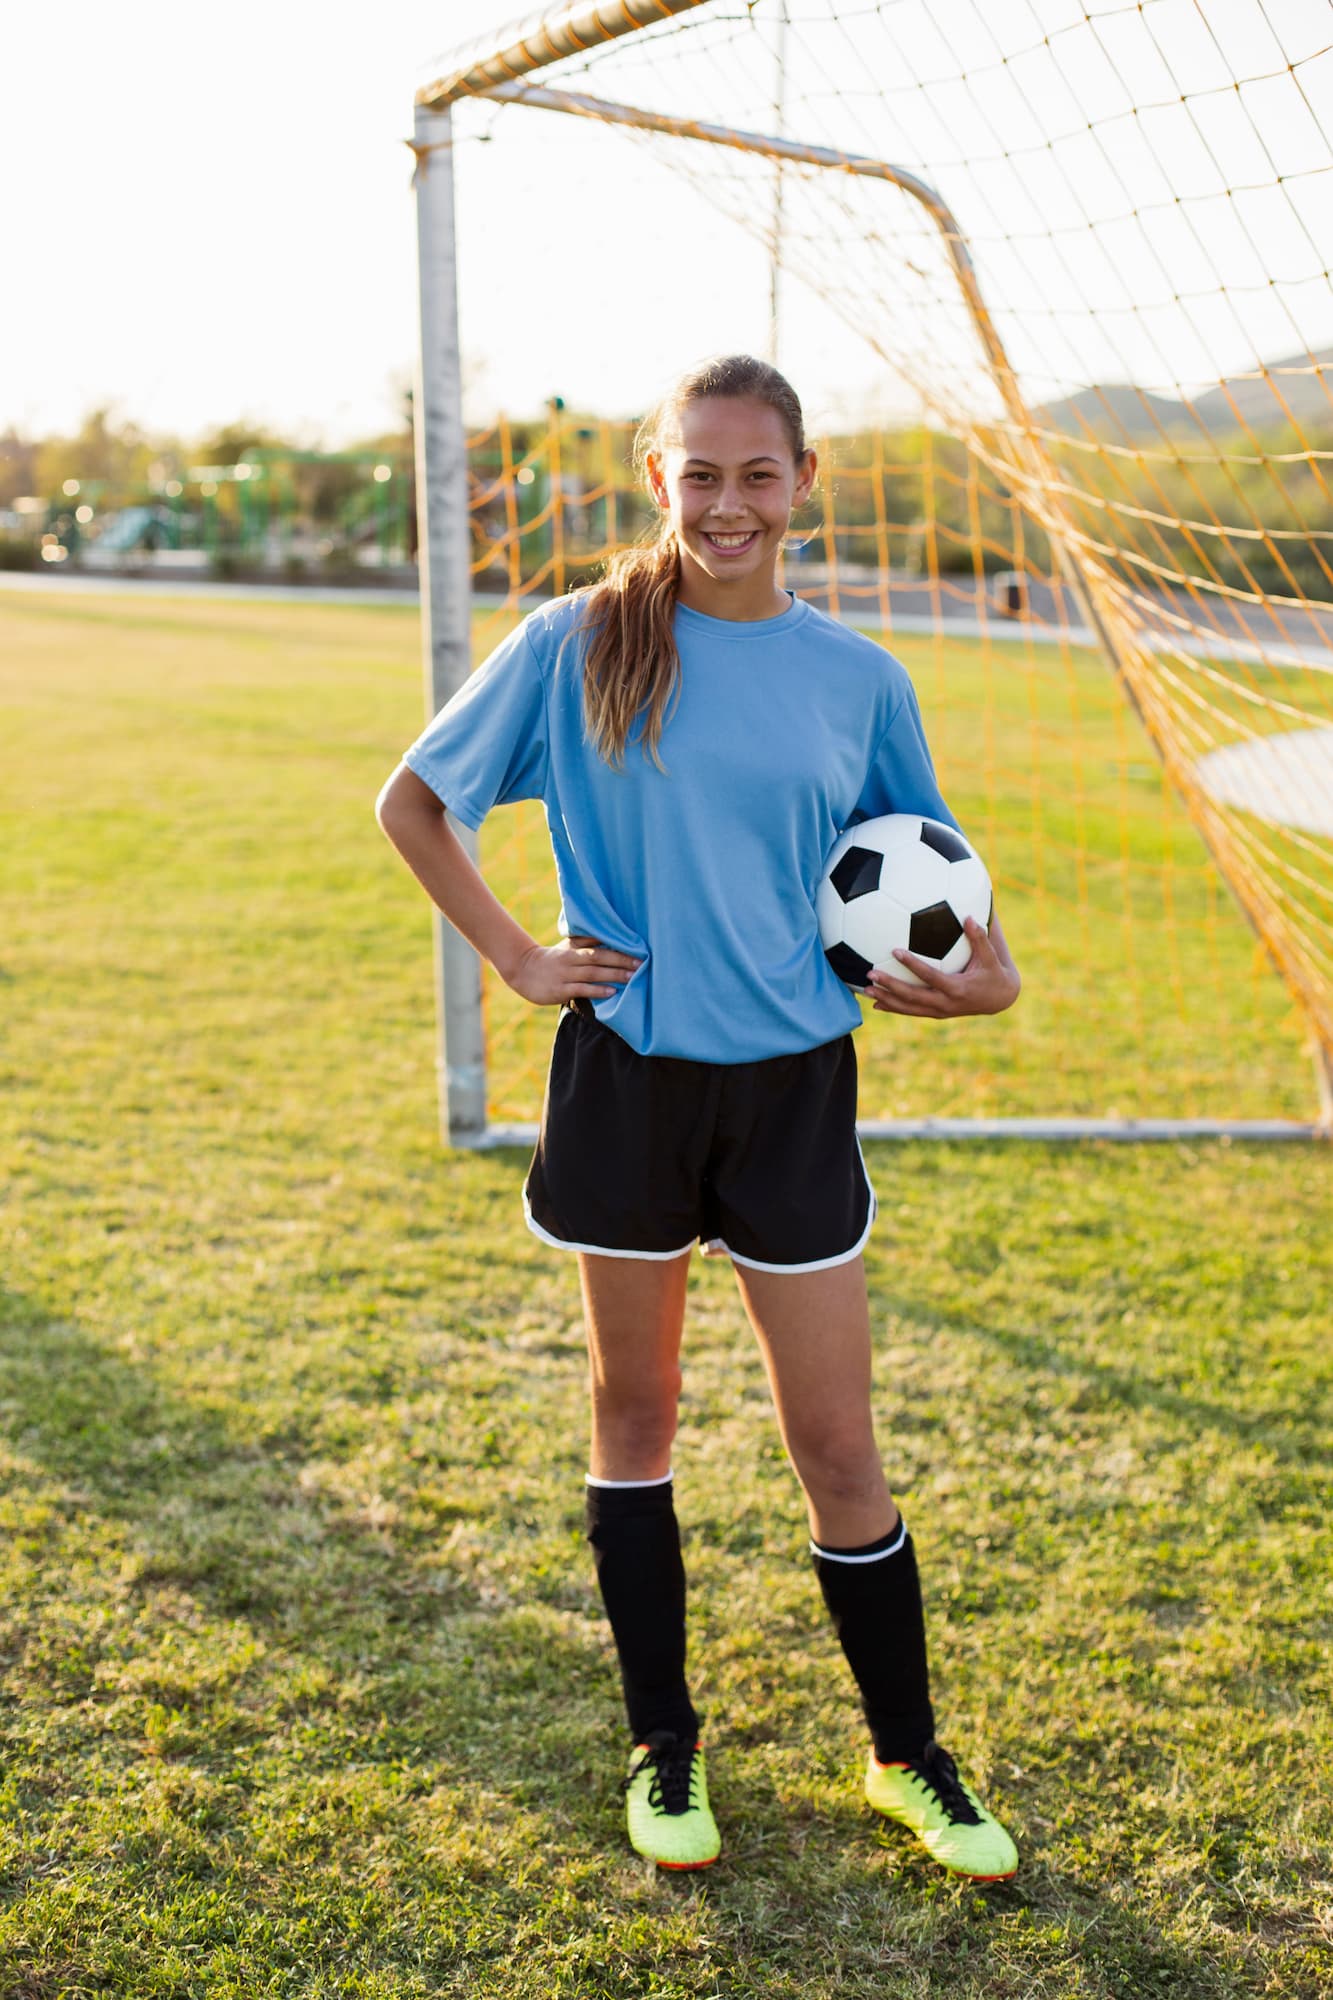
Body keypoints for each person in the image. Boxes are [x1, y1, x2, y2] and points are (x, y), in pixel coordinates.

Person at [375, 354, 1022, 1880]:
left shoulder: (859, 677)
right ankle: (663, 1749)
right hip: (629, 1085)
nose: (728, 502)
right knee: (636, 1417)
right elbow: (412, 799)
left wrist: (987, 985)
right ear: (656, 482)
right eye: (700, 473)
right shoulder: (576, 641)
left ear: (803, 487)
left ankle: (906, 1756)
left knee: (838, 1448)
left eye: (757, 474)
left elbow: (924, 867)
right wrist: (519, 957)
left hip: (793, 1093)